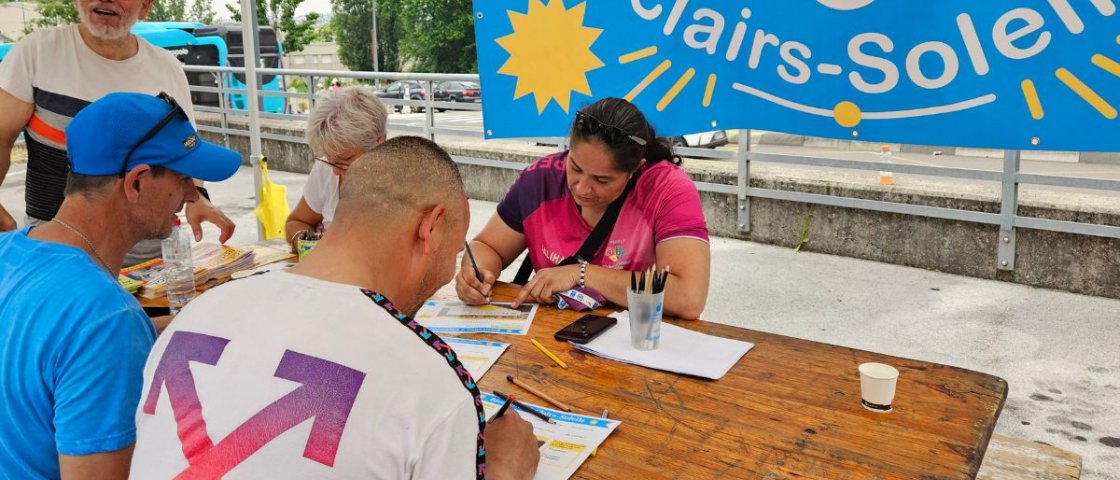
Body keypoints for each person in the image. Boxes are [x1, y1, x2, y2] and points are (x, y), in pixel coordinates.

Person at [131, 136, 540, 479]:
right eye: (456, 245)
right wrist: (505, 472)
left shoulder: (200, 312)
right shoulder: (431, 382)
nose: (451, 262)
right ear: (430, 227)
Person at [0, 92, 241, 480]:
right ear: (137, 182)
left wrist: (198, 319)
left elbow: (51, 344)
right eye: (183, 179)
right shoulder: (107, 320)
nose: (192, 195)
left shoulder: (10, 251)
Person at [0, 0, 236, 266]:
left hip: (148, 257)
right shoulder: (36, 53)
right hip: (63, 252)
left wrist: (197, 197)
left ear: (145, 7)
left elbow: (185, 149)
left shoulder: (166, 67)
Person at [456, 97, 711, 319]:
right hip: (548, 334)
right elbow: (488, 247)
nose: (581, 189)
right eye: (575, 168)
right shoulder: (540, 178)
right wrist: (476, 274)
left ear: (634, 169)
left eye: (602, 180)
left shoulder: (667, 188)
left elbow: (688, 297)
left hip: (629, 336)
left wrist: (582, 274)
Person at [284, 86, 388, 252]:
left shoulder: (403, 181)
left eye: (346, 159)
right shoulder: (327, 167)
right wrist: (305, 243)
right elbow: (296, 222)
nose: (335, 171)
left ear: (377, 142)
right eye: (329, 159)